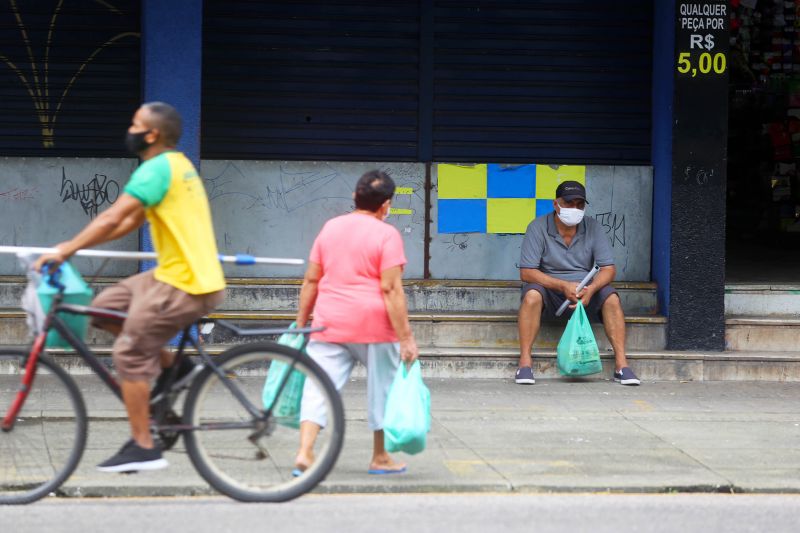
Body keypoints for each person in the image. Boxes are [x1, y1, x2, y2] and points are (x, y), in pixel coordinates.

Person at [34, 102, 226, 472]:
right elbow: (128, 221)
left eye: (135, 124)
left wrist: (65, 250)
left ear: (151, 134)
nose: (130, 129)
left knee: (129, 354)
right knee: (103, 308)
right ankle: (175, 367)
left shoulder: (156, 169)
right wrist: (83, 246)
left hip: (186, 282)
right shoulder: (176, 165)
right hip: (176, 273)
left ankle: (144, 446)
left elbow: (112, 216)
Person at [294, 170, 419, 476]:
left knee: (318, 386)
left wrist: (300, 325)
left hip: (329, 321)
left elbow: (311, 279)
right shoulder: (387, 234)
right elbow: (391, 289)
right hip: (375, 326)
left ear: (355, 197)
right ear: (386, 205)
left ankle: (305, 451)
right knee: (383, 390)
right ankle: (379, 457)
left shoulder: (331, 227)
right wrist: (406, 338)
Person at [515, 180, 640, 386]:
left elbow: (608, 269)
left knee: (611, 299)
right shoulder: (537, 227)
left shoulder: (593, 227)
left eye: (579, 204)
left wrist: (591, 290)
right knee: (531, 296)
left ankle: (621, 365)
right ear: (556, 204)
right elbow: (527, 273)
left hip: (585, 292)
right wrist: (562, 285)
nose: (574, 208)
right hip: (551, 291)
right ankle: (525, 363)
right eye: (569, 203)